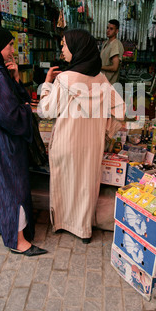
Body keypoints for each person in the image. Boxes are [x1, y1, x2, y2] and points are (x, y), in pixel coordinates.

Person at [39, 29, 126, 243]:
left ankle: (61, 224)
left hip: (66, 142)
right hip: (92, 145)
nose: (62, 49)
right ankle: (83, 230)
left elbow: (46, 111)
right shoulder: (101, 80)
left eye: (64, 45)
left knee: (63, 182)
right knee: (86, 185)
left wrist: (47, 84)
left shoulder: (65, 79)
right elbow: (121, 110)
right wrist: (107, 130)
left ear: (77, 48)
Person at [0, 25, 47, 256]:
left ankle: (2, 225)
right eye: (9, 45)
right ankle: (17, 241)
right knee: (12, 185)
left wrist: (14, 77)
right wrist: (26, 110)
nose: (12, 49)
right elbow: (6, 113)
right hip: (5, 141)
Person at [100, 19, 124, 84]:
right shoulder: (106, 43)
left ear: (116, 31)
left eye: (111, 29)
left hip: (110, 84)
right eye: (107, 28)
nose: (108, 30)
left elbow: (115, 67)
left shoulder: (115, 44)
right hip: (102, 82)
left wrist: (99, 67)